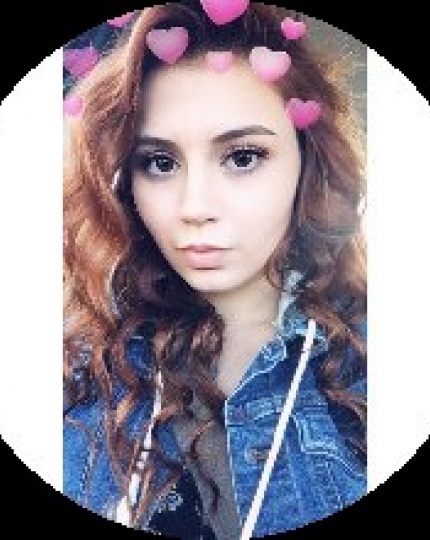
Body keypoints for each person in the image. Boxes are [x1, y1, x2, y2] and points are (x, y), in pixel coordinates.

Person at [63, 1, 367, 538]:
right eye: (160, 163)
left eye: (242, 157)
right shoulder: (77, 372)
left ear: (308, 162)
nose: (195, 206)